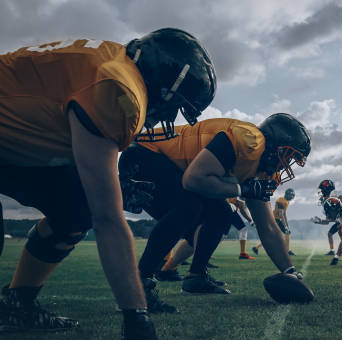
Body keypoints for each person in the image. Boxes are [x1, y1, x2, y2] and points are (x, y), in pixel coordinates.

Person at [0, 28, 215, 340]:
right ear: (163, 82)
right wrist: (136, 314)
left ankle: (17, 304)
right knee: (96, 210)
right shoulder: (118, 88)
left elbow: (47, 122)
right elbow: (108, 220)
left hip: (11, 139)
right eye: (173, 105)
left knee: (76, 207)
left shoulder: (114, 62)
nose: (168, 116)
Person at [120, 113, 312, 309]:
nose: (286, 165)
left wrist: (290, 271)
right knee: (189, 206)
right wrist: (242, 189)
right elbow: (194, 179)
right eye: (288, 156)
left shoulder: (261, 169)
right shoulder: (249, 140)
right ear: (273, 144)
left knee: (221, 213)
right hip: (144, 154)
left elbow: (268, 227)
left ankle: (195, 277)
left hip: (174, 167)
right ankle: (137, 287)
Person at [253, 188, 295, 256]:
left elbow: (284, 214)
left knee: (284, 233)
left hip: (277, 219)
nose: (292, 197)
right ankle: (288, 251)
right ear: (288, 195)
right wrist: (285, 226)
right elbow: (281, 214)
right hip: (275, 219)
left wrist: (287, 225)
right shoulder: (281, 200)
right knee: (273, 236)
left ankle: (256, 248)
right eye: (291, 195)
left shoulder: (286, 201)